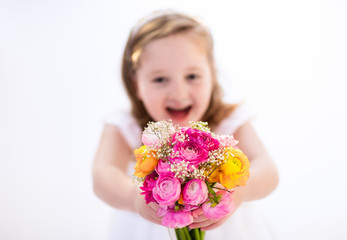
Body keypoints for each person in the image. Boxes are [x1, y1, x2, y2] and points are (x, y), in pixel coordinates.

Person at [92, 10, 279, 240]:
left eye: (192, 76)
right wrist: (133, 197)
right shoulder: (125, 125)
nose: (179, 92)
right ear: (136, 85)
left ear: (211, 75)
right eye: (160, 79)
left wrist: (240, 192)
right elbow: (103, 175)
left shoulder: (229, 121)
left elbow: (268, 170)